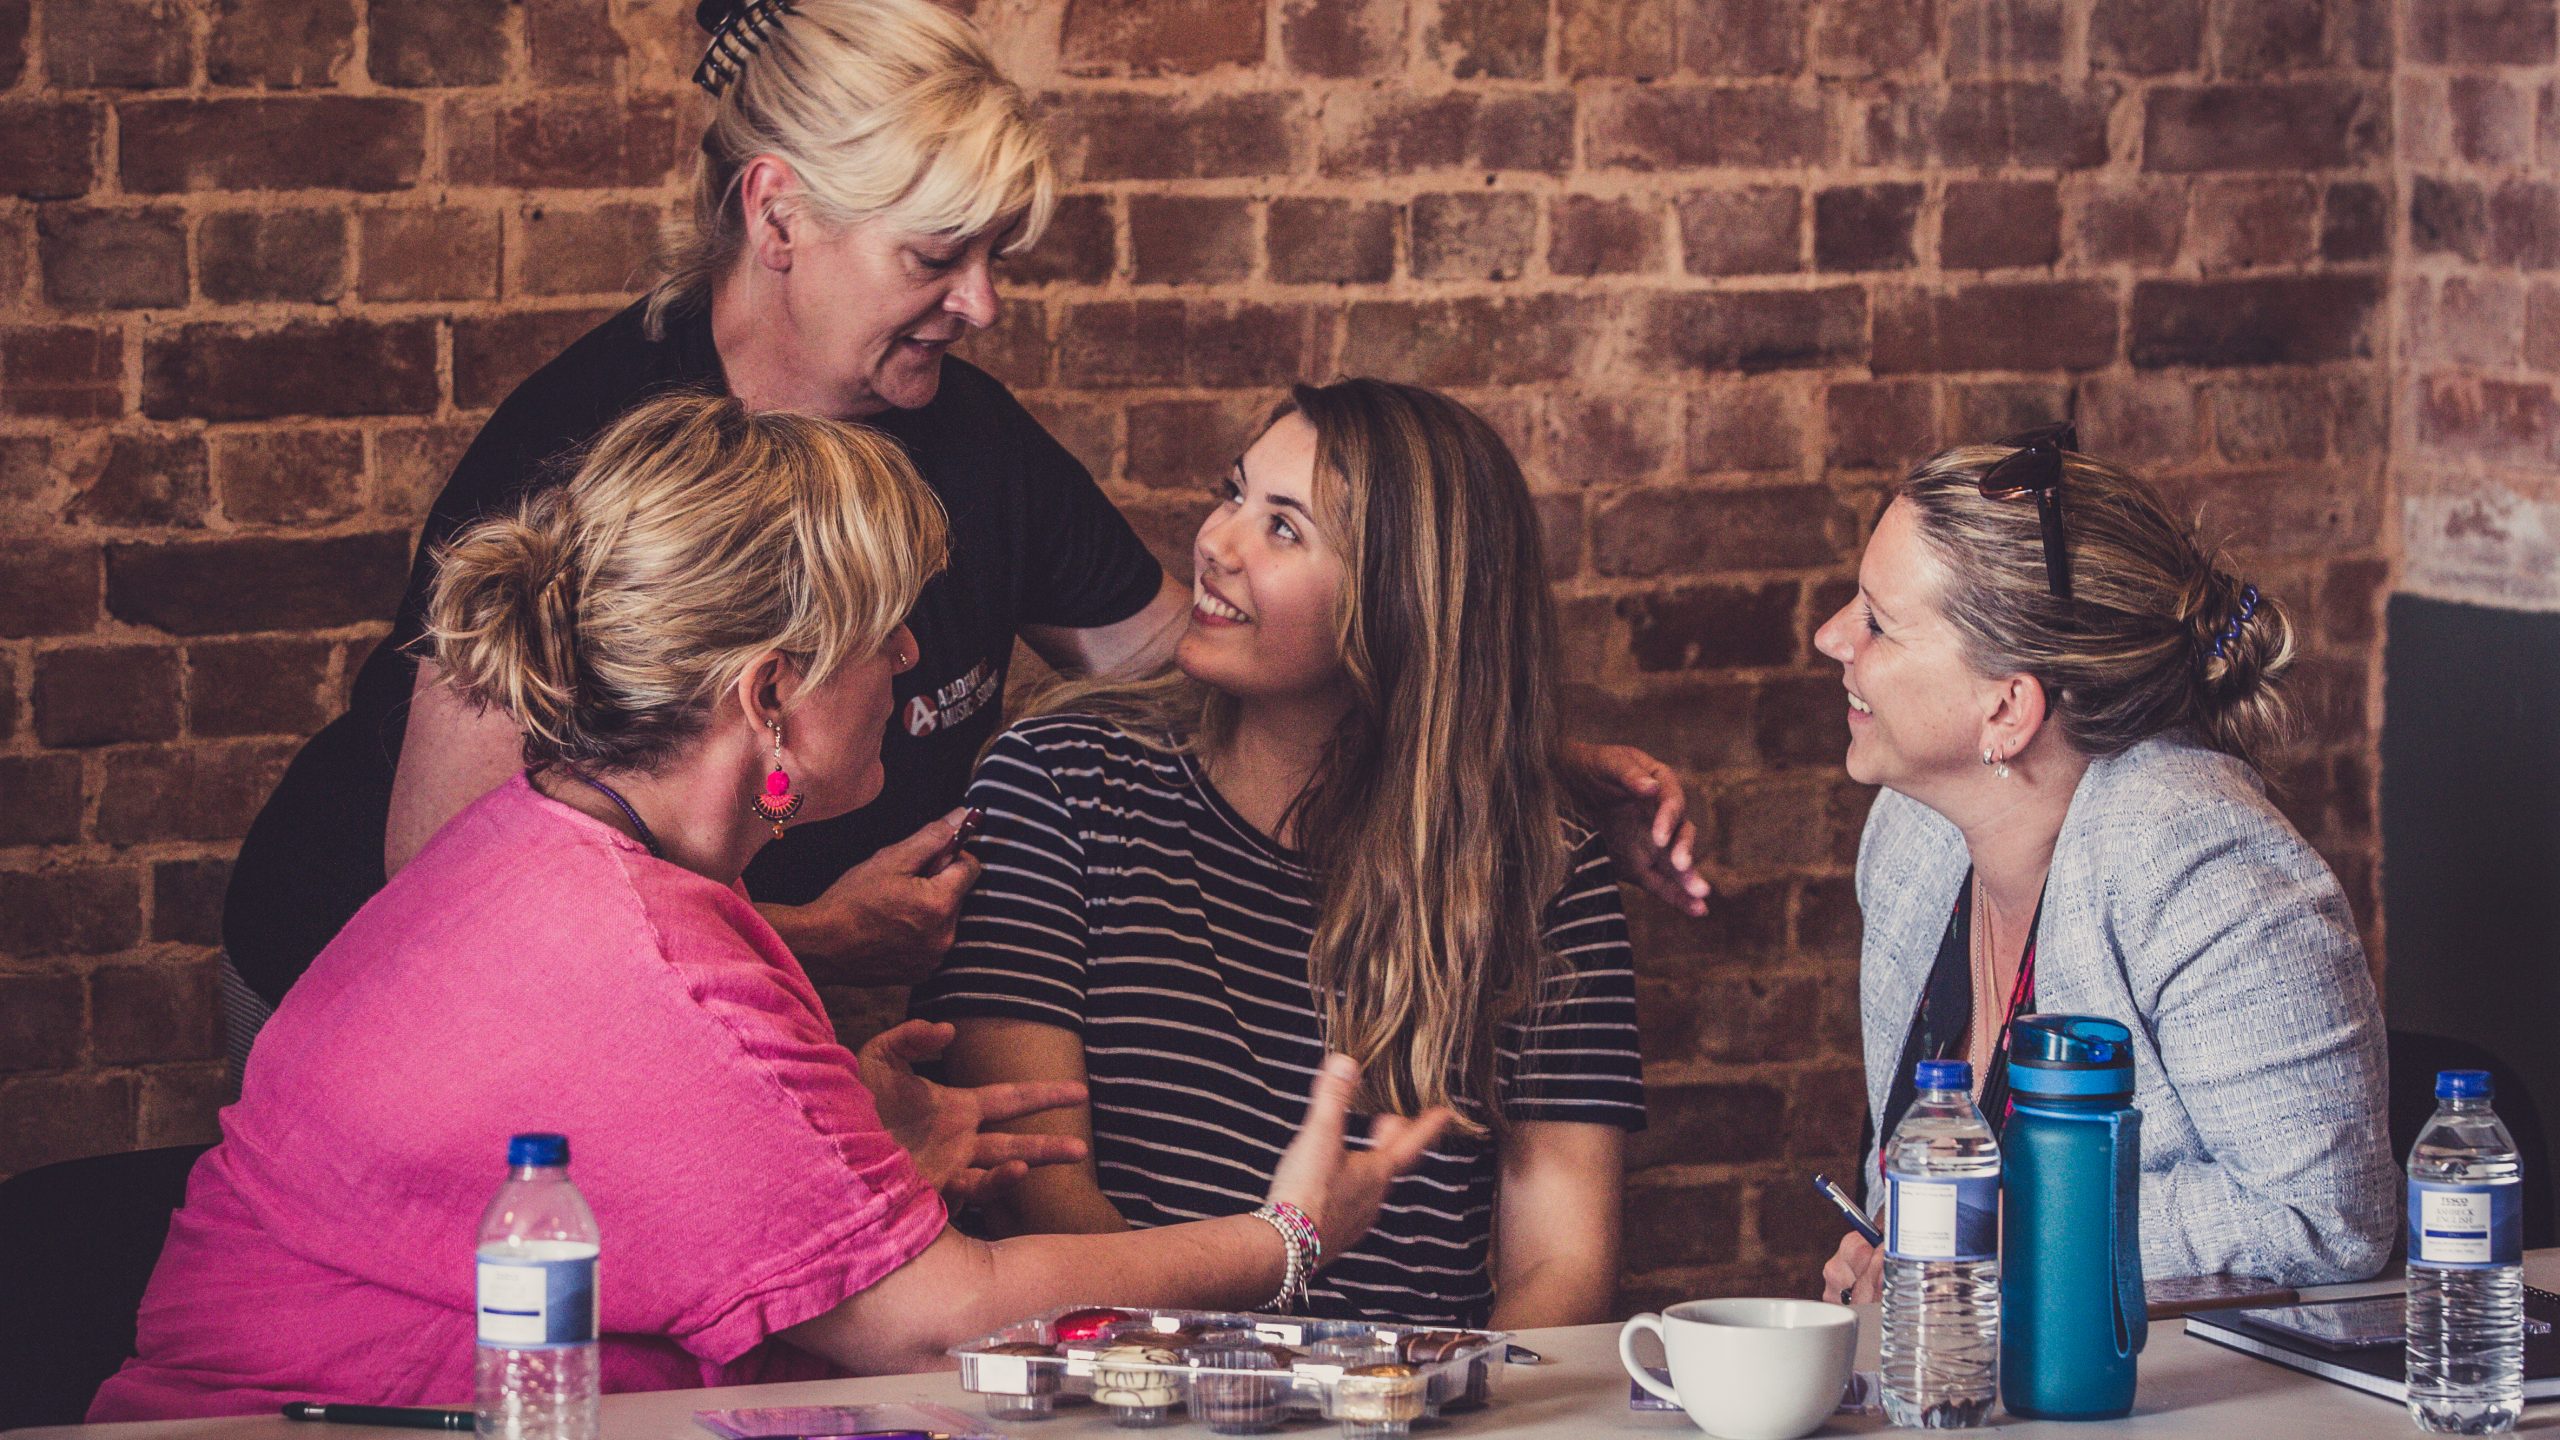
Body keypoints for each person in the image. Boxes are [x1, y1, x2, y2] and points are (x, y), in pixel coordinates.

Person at [215, 0, 1705, 1056]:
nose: (985, 302)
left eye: (999, 254)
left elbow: (1223, 660)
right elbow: (452, 911)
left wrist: (1527, 750)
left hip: (692, 1008)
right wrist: (807, 942)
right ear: (779, 212)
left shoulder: (967, 439)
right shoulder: (582, 452)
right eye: (940, 255)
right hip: (379, 996)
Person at [91, 394, 1449, 1420]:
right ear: (769, 694)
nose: (916, 657)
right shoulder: (641, 961)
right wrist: (1284, 1241)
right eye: (886, 634)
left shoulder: (571, 841)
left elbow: (686, 1167)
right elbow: (936, 1324)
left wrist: (836, 1164)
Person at [913, 380, 1644, 1331]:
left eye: (1284, 529)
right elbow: (1045, 1206)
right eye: (1234, 494)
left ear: (1403, 603)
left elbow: (1563, 1263)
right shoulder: (1058, 783)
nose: (1216, 541)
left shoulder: (1540, 868)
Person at [1811, 425, 2394, 1301]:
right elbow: (1914, 1189)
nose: (1830, 638)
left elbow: (2325, 1217)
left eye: (1879, 624)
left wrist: (2004, 1230)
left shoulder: (2202, 865)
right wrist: (1891, 1248)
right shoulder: (1910, 839)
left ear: (2007, 709)